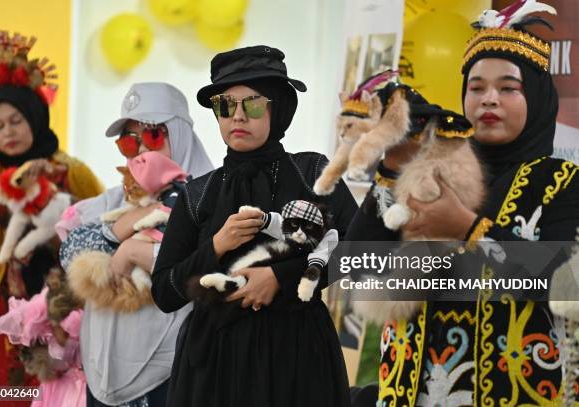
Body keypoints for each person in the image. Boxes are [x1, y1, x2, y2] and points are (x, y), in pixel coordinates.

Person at [346, 5, 579, 406]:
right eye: (476, 87)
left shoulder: (563, 182)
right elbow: (354, 266)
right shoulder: (432, 170)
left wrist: (469, 230)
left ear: (538, 97)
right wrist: (392, 169)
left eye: (508, 88)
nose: (489, 99)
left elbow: (564, 289)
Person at [151, 45, 357, 407]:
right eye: (225, 105)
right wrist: (216, 246)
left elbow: (362, 251)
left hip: (297, 358)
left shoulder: (313, 174)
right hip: (214, 367)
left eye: (253, 103)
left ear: (277, 108)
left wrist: (282, 277)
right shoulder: (198, 194)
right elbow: (165, 292)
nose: (238, 117)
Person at [58, 82, 213, 406]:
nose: (141, 150)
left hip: (171, 376)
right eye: (129, 142)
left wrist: (130, 251)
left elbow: (202, 269)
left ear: (179, 134)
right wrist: (121, 228)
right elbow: (69, 254)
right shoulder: (114, 199)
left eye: (153, 135)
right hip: (101, 382)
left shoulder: (211, 196)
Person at [0, 29, 102, 389]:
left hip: (56, 299)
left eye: (16, 121)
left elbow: (95, 224)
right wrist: (17, 185)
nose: (7, 132)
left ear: (35, 118)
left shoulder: (69, 170)